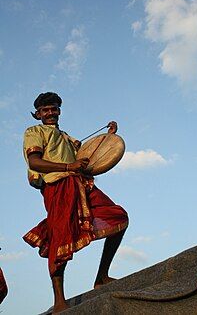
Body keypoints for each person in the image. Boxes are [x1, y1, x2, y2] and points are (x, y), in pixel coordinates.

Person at [23, 92, 128, 314]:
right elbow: (35, 161)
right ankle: (59, 300)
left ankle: (101, 277)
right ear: (38, 114)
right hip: (57, 188)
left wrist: (108, 137)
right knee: (60, 237)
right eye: (45, 110)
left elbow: (89, 153)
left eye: (54, 108)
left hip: (82, 185)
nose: (50, 112)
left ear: (59, 110)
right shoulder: (35, 132)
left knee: (119, 216)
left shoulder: (67, 137)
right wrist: (68, 168)